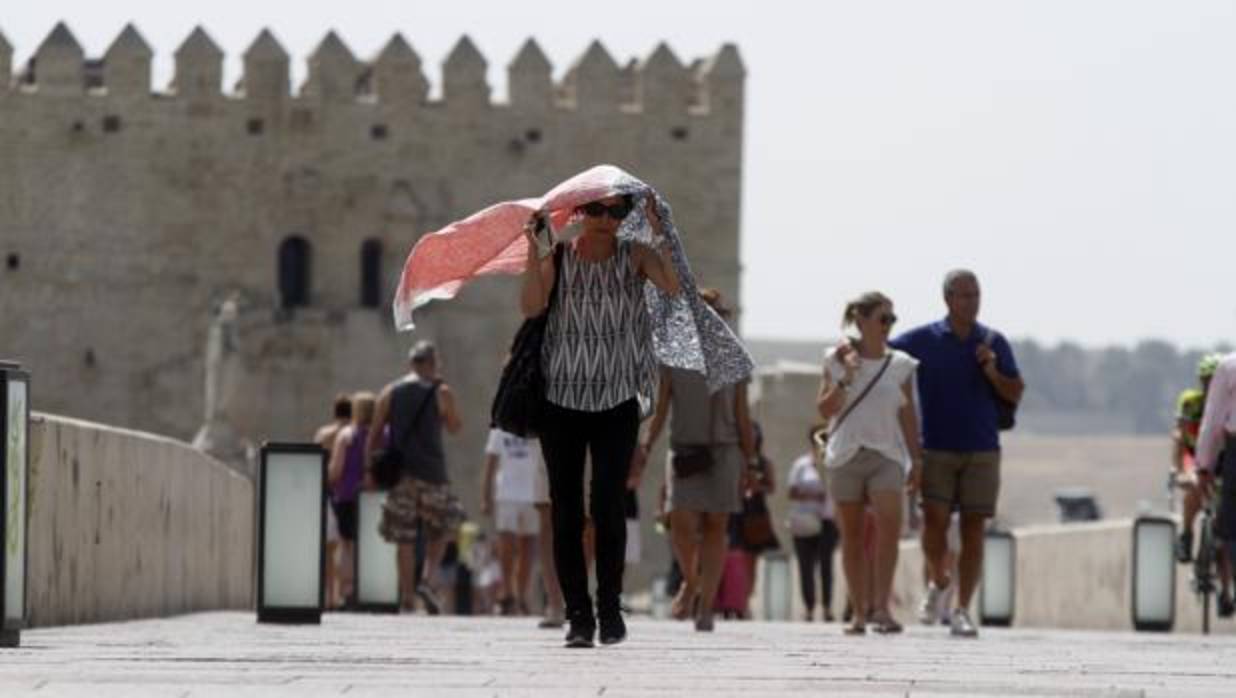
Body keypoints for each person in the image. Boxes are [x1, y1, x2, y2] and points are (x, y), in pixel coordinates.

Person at [521, 190, 681, 648]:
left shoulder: (637, 256)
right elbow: (531, 305)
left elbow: (673, 286)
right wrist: (535, 254)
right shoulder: (560, 256)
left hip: (616, 400)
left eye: (616, 211)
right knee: (566, 512)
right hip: (561, 398)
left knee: (608, 507)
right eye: (596, 209)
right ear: (578, 212)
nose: (605, 219)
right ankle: (578, 615)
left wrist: (659, 228)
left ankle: (610, 609)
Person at [891, 270, 1024, 638]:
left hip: (982, 449)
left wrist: (993, 372)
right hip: (935, 447)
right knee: (932, 523)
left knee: (973, 530)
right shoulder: (924, 339)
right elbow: (883, 352)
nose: (971, 301)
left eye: (976, 294)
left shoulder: (994, 341)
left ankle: (963, 609)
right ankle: (939, 578)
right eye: (964, 295)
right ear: (948, 299)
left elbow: (1015, 392)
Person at [633, 289, 757, 632]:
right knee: (682, 526)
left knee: (717, 527)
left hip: (724, 450)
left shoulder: (736, 359)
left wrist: (752, 462)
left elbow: (743, 416)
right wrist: (645, 447)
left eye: (718, 312)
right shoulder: (672, 357)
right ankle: (691, 580)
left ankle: (706, 606)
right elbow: (659, 409)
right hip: (685, 451)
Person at [817, 291, 922, 635]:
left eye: (892, 319)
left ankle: (882, 608)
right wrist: (846, 376)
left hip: (887, 456)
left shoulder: (902, 365)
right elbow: (825, 410)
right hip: (846, 454)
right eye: (882, 318)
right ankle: (858, 612)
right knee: (852, 536)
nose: (888, 326)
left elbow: (908, 415)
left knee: (889, 530)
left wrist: (916, 460)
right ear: (861, 321)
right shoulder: (835, 359)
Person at [367, 340, 464, 614]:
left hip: (401, 476)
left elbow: (374, 434)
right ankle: (428, 580)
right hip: (433, 474)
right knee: (444, 528)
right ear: (432, 364)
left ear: (412, 363)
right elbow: (456, 426)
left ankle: (408, 598)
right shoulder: (441, 392)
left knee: (404, 538)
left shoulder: (391, 391)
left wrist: (369, 471)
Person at [482, 427, 542, 615]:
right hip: (507, 493)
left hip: (534, 492)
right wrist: (486, 496)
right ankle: (508, 592)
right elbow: (491, 462)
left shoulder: (539, 421)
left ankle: (522, 594)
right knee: (506, 544)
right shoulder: (500, 427)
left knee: (528, 546)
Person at [326, 391, 377, 609]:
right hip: (373, 497)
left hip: (346, 496)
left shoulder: (346, 435)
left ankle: (347, 591)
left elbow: (335, 471)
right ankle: (366, 589)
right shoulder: (380, 435)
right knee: (367, 545)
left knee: (346, 546)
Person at [1172, 354, 1223, 563]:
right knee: (1194, 484)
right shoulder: (1191, 402)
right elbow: (1179, 437)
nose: (1210, 386)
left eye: (1215, 381)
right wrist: (1179, 471)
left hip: (1220, 458)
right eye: (1206, 380)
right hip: (1193, 455)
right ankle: (1186, 535)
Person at [787, 424, 840, 623]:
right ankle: (809, 608)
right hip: (804, 522)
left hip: (828, 522)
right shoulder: (801, 465)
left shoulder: (835, 463)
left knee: (827, 566)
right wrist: (813, 495)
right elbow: (791, 492)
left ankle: (827, 608)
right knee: (805, 566)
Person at [1197, 352, 1236, 618]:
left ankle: (1230, 585)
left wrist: (1204, 466)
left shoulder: (1229, 366)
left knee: (1229, 527)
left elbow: (1212, 424)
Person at [729, 422, 780, 619]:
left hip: (756, 514)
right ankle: (734, 601)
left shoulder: (764, 463)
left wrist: (756, 486)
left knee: (751, 561)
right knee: (734, 558)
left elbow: (772, 487)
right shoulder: (734, 460)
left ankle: (745, 603)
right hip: (736, 511)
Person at [314, 394, 352, 609]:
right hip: (348, 496)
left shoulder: (324, 434)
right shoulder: (352, 435)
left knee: (328, 551)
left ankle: (328, 597)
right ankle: (341, 594)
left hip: (326, 495)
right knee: (346, 547)